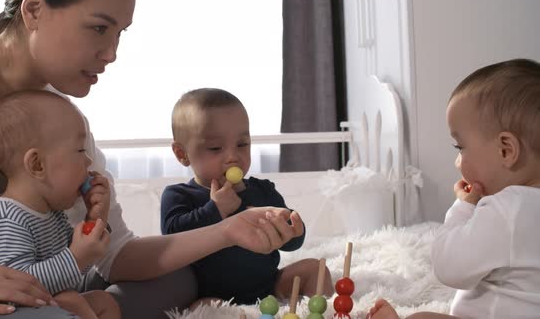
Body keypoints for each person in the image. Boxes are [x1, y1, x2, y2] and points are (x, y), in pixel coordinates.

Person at [0, 0, 302, 318]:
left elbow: (118, 255)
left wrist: (228, 230)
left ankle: (91, 308)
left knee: (181, 278)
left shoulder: (67, 126)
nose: (112, 53)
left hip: (46, 288)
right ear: (34, 9)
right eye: (100, 28)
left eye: (120, 33)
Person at [368, 59, 540, 319]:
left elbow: (449, 267)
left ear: (506, 150)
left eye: (460, 148)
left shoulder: (507, 209)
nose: (457, 162)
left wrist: (463, 207)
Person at [161, 88, 334, 306]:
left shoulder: (263, 190)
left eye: (242, 144)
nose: (233, 157)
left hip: (269, 286)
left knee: (315, 269)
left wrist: (293, 231)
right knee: (202, 309)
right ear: (182, 154)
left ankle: (324, 313)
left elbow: (290, 242)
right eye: (215, 148)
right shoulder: (179, 195)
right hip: (213, 295)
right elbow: (172, 243)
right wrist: (215, 209)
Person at [0, 91, 119, 318]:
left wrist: (94, 222)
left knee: (103, 301)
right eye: (80, 150)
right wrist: (77, 257)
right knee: (71, 301)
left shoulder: (54, 214)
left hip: (34, 304)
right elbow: (20, 287)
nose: (89, 161)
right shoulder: (7, 219)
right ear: (37, 164)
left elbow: (73, 273)